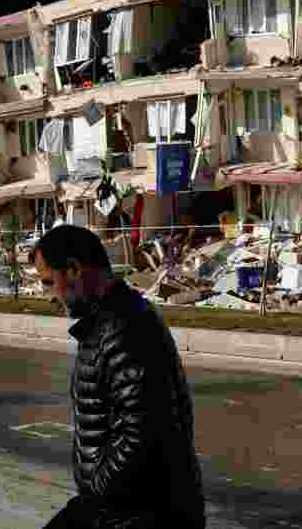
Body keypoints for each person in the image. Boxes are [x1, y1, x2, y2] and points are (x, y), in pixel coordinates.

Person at [36, 225, 205, 529]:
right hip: (120, 507)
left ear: (73, 270)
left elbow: (143, 432)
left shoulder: (124, 328)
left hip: (141, 513)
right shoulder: (107, 323)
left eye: (49, 282)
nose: (48, 295)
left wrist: (99, 490)